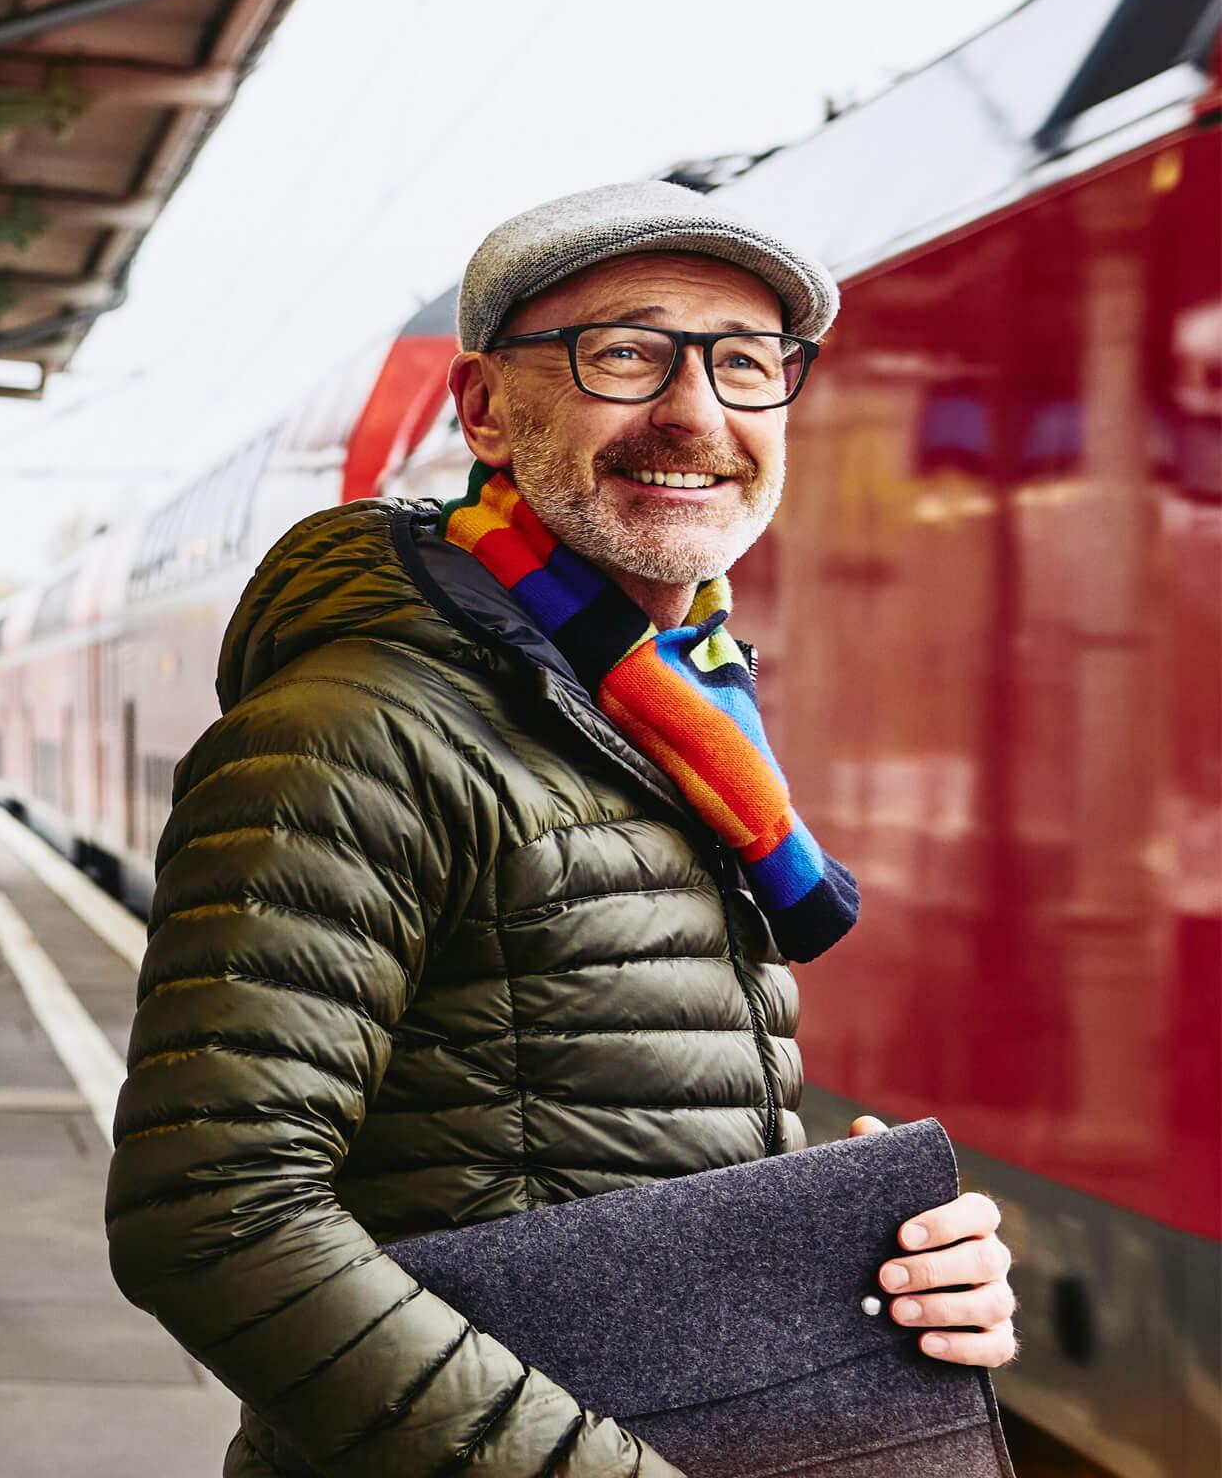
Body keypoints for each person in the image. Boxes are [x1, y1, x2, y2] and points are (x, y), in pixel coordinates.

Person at [105, 181, 1018, 1476]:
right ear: (483, 406)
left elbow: (600, 1147)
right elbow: (211, 1218)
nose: (695, 415)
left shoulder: (671, 721)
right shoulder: (362, 729)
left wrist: (889, 1276)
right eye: (627, 353)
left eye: (747, 364)